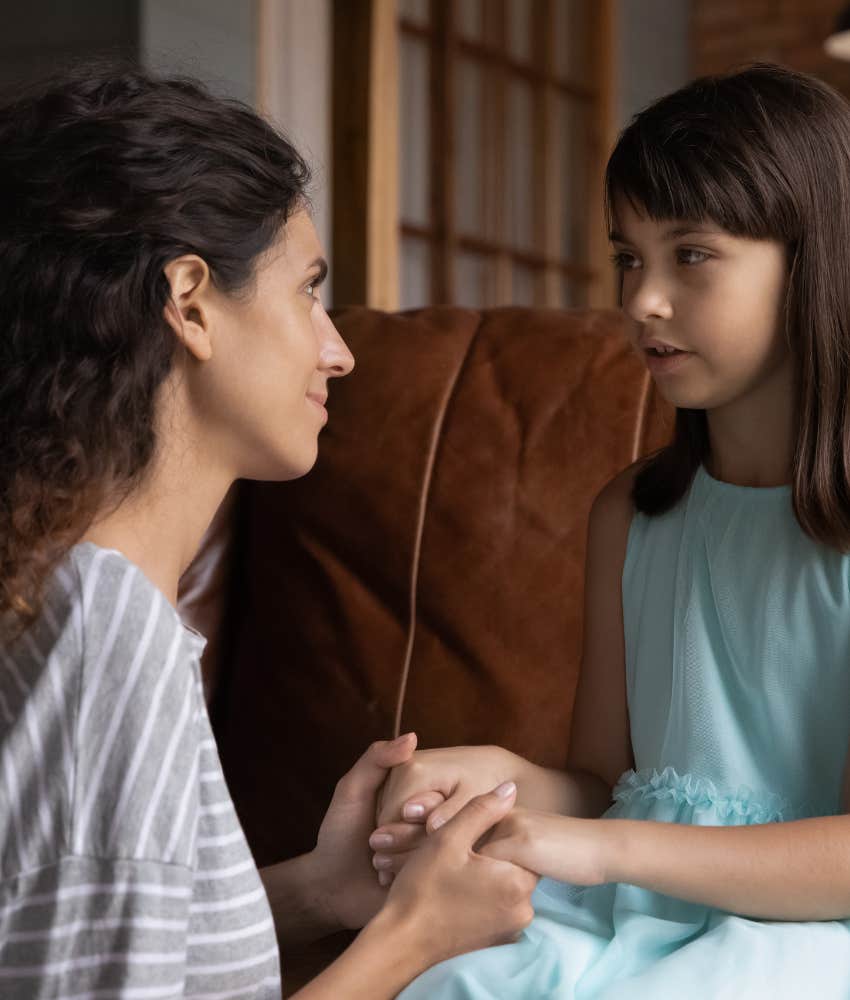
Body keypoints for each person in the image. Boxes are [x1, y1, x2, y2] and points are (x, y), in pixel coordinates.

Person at [0, 61, 539, 999]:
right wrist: (413, 939)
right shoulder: (104, 637)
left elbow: (107, 938)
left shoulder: (76, 598)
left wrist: (318, 893)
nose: (339, 350)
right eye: (307, 291)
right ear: (193, 302)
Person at [368, 62, 850, 997]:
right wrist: (497, 783)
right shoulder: (635, 515)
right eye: (629, 256)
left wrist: (604, 848)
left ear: (815, 261)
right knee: (454, 984)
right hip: (631, 909)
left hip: (808, 934)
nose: (641, 301)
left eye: (692, 255)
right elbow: (600, 779)